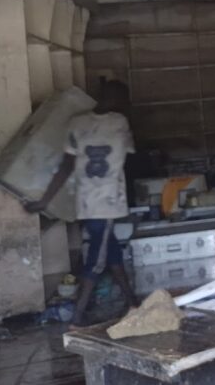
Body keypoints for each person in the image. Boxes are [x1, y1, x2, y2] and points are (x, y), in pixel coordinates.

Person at [27, 80, 139, 327]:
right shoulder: (120, 122)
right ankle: (77, 316)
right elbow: (130, 152)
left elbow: (66, 166)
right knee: (97, 260)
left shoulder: (76, 122)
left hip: (87, 203)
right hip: (107, 203)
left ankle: (132, 303)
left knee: (112, 253)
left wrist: (44, 200)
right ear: (118, 100)